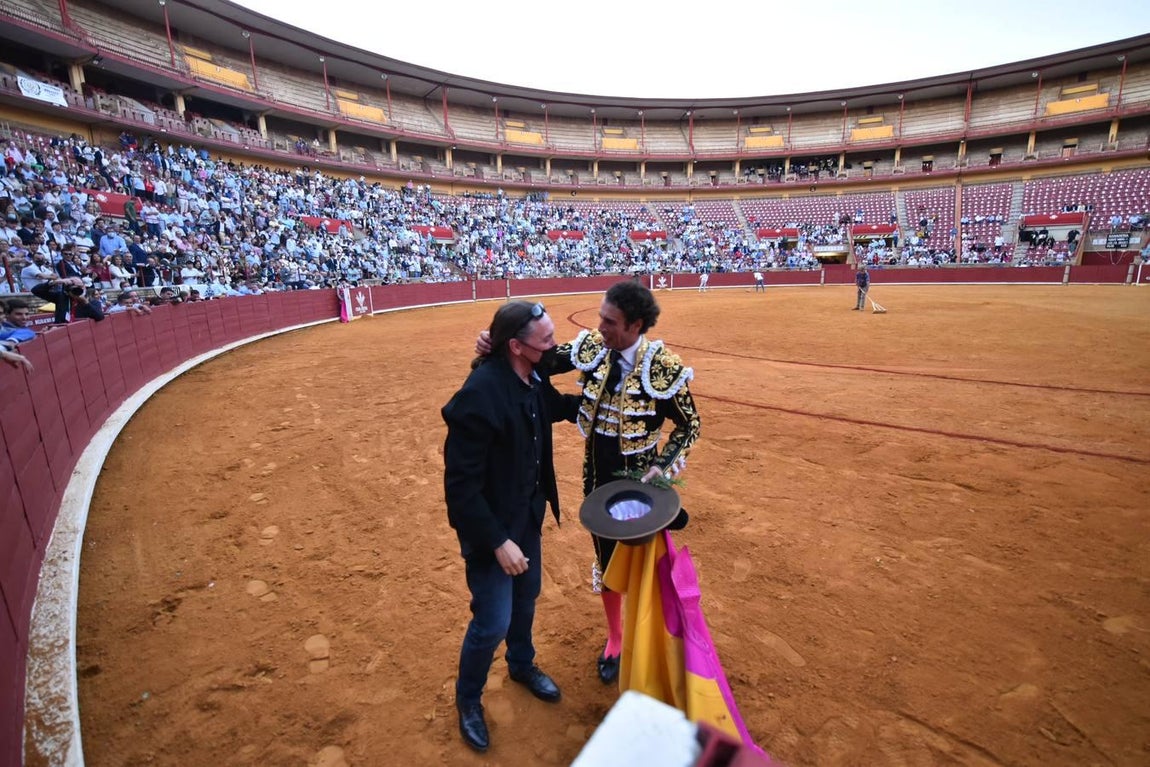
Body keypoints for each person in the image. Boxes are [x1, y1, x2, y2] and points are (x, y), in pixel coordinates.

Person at [476, 280, 701, 685]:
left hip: (641, 480)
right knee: (607, 557)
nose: (599, 327)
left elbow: (690, 426)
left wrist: (663, 469)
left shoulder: (663, 366)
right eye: (600, 317)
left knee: (646, 563)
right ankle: (616, 638)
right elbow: (541, 357)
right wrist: (496, 344)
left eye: (609, 321)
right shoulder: (594, 349)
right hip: (597, 473)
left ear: (634, 325)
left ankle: (654, 634)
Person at [442, 300, 577, 753]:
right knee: (492, 620)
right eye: (545, 342)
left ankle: (522, 664)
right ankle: (468, 700)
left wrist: (609, 412)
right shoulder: (480, 393)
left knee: (527, 597)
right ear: (517, 346)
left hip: (527, 516)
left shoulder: (531, 374)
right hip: (491, 532)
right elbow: (460, 487)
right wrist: (498, 541)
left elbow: (554, 407)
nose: (554, 346)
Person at [31, 276, 105, 325]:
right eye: (74, 288)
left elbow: (100, 317)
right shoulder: (61, 297)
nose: (78, 290)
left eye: (80, 287)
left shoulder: (92, 301)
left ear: (84, 287)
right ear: (67, 290)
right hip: (61, 332)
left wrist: (85, 302)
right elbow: (35, 291)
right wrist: (54, 282)